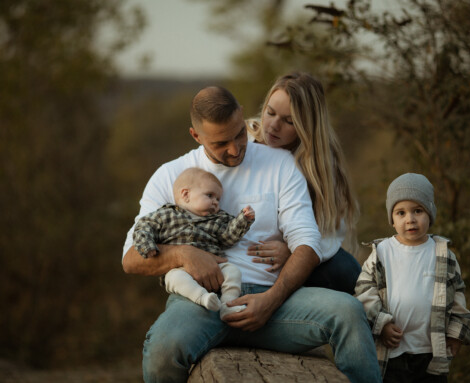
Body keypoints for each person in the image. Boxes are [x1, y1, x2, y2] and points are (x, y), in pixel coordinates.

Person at [122, 85, 382, 383]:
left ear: (242, 117)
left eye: (239, 134)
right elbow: (131, 259)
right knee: (163, 349)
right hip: (201, 302)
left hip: (275, 305)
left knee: (348, 311)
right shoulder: (170, 175)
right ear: (196, 136)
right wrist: (184, 254)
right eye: (221, 143)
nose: (235, 149)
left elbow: (308, 242)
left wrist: (271, 300)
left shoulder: (280, 163)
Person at [355, 173, 470, 382]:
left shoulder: (443, 254)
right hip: (392, 349)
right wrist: (382, 324)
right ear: (392, 220)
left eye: (417, 211)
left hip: (430, 351)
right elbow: (364, 289)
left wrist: (455, 334)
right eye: (401, 213)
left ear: (429, 213)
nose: (410, 219)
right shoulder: (383, 252)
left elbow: (457, 295)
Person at [246, 72, 361, 294]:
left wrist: (294, 252)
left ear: (307, 126)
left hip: (295, 256)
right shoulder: (243, 142)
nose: (273, 126)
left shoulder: (321, 165)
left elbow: (329, 232)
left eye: (289, 121)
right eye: (269, 113)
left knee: (345, 269)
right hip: (250, 252)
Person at [133, 167, 255, 319]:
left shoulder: (218, 219)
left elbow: (227, 238)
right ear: (186, 194)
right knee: (173, 278)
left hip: (214, 268)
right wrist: (147, 246)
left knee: (233, 272)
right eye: (210, 195)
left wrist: (243, 220)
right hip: (180, 269)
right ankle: (203, 298)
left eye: (218, 199)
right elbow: (143, 227)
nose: (215, 202)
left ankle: (228, 305)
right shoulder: (166, 214)